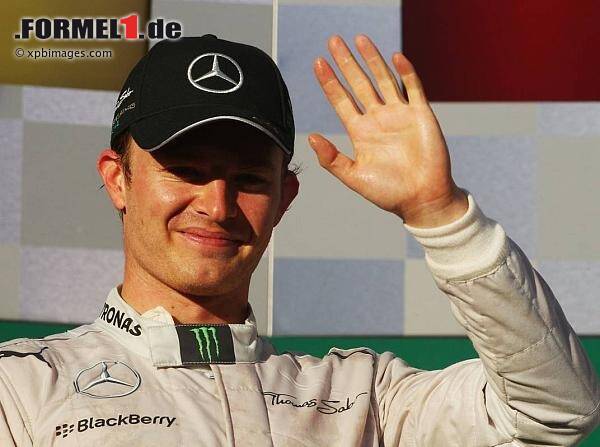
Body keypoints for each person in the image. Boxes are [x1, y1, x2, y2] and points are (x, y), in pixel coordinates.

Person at [0, 33, 598, 446]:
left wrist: (441, 215)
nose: (216, 205)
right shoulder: (22, 388)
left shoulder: (365, 398)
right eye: (185, 170)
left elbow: (553, 411)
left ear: (285, 198)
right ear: (117, 179)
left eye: (249, 179)